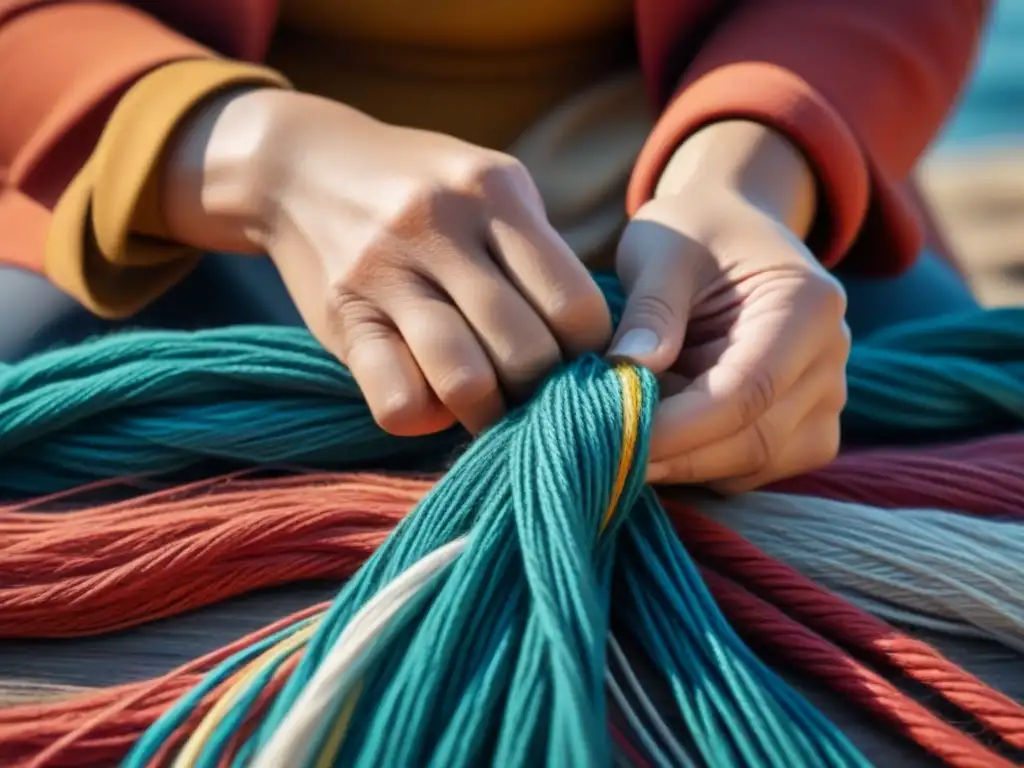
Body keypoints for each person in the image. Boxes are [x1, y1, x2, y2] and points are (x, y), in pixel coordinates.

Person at [0, 0, 988, 492]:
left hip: (721, 220)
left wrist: (748, 173)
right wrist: (257, 157)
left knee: (973, 454)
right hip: (160, 216)